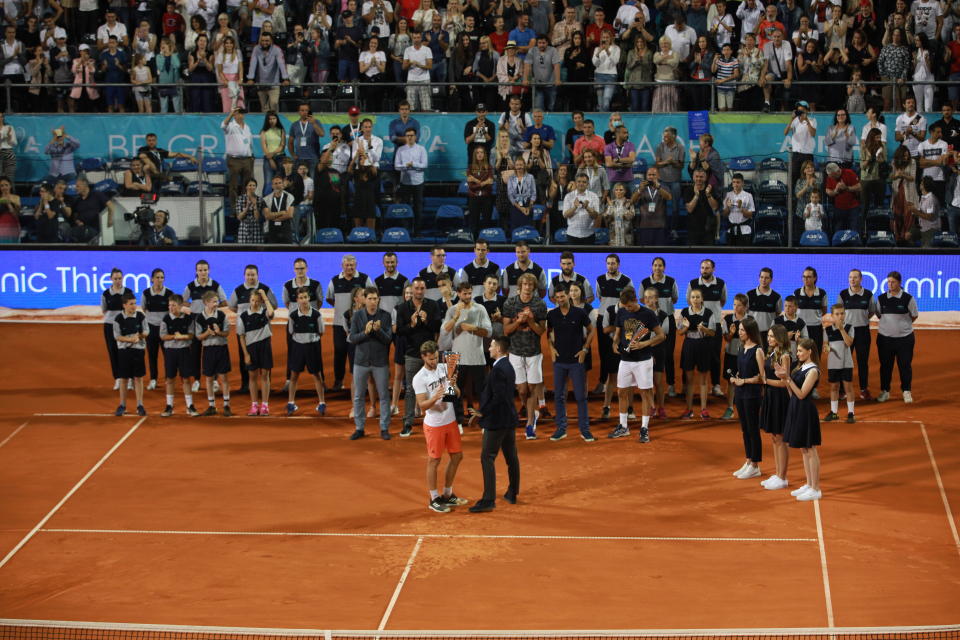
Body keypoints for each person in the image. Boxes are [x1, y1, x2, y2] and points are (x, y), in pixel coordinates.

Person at [411, 340, 468, 513]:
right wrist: (435, 397)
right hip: (434, 424)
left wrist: (452, 386)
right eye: (430, 359)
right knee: (434, 460)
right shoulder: (419, 378)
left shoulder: (445, 367)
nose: (434, 362)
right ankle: (434, 498)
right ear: (423, 357)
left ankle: (448, 494)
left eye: (436, 357)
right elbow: (422, 406)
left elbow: (457, 393)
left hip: (450, 421)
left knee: (457, 456)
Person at [468, 335, 520, 513]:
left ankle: (488, 499)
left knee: (487, 457)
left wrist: (482, 412)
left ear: (498, 349)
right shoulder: (508, 366)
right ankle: (512, 492)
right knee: (511, 457)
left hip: (497, 421)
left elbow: (498, 397)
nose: (489, 348)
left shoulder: (498, 370)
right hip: (508, 420)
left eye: (491, 346)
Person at [607, 287, 664, 443]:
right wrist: (614, 343)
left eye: (629, 306)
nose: (627, 309)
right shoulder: (621, 312)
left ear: (635, 301)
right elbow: (618, 334)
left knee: (645, 394)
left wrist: (645, 343)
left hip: (643, 361)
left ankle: (644, 428)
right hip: (625, 360)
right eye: (625, 307)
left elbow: (661, 336)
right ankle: (623, 426)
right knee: (621, 392)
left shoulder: (648, 314)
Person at [547, 285, 596, 442]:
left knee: (581, 397)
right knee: (559, 397)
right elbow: (549, 334)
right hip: (559, 362)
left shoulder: (579, 312)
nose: (560, 300)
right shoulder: (552, 315)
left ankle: (585, 430)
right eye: (558, 297)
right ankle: (561, 429)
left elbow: (591, 330)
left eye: (563, 296)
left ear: (568, 296)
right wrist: (551, 349)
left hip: (576, 362)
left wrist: (585, 350)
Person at [776, 338, 822, 501]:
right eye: (798, 351)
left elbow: (802, 394)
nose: (798, 353)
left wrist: (787, 378)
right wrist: (784, 378)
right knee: (803, 448)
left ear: (810, 352)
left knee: (810, 449)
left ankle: (815, 488)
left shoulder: (813, 371)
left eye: (801, 351)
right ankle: (809, 484)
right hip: (796, 408)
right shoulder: (801, 367)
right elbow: (793, 393)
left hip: (806, 410)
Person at [503, 273, 548, 440]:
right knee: (522, 390)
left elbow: (541, 331)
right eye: (525, 284)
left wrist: (529, 321)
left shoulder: (540, 304)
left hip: (534, 353)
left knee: (533, 388)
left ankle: (530, 423)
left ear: (534, 287)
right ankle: (529, 408)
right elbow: (506, 330)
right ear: (519, 286)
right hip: (515, 352)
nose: (528, 287)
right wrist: (519, 321)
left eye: (531, 285)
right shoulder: (510, 303)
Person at [396, 277, 443, 436]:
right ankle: (408, 423)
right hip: (412, 354)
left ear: (425, 290)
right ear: (412, 289)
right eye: (416, 288)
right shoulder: (402, 308)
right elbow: (400, 330)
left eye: (422, 288)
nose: (419, 291)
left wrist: (426, 320)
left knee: (439, 386)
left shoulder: (433, 305)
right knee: (410, 390)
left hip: (431, 356)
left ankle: (441, 420)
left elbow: (437, 327)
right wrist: (412, 325)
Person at [348, 287, 393, 439]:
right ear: (364, 299)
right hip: (361, 362)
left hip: (380, 362)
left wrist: (378, 331)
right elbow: (353, 338)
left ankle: (384, 428)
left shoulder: (385, 316)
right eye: (370, 298)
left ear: (378, 299)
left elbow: (388, 340)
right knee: (359, 396)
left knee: (384, 396)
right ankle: (359, 428)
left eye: (375, 299)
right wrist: (366, 333)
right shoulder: (357, 316)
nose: (373, 302)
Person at [443, 281, 491, 416]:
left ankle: (484, 420)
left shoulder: (480, 309)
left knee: (482, 391)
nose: (468, 296)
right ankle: (455, 420)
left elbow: (488, 332)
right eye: (465, 293)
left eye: (470, 293)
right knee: (451, 391)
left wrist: (473, 328)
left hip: (477, 356)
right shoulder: (451, 310)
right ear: (458, 293)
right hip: (454, 356)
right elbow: (445, 331)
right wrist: (456, 318)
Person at [326, 256, 374, 392]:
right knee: (340, 351)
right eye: (347, 265)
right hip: (339, 324)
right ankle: (338, 381)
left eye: (352, 265)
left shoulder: (364, 279)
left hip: (361, 324)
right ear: (342, 265)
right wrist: (342, 308)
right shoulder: (334, 280)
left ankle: (362, 382)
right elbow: (330, 298)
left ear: (356, 265)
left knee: (361, 352)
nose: (350, 268)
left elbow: (372, 296)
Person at [730, 316, 765, 480]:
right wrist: (737, 378)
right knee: (745, 429)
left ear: (750, 331)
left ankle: (755, 465)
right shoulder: (741, 347)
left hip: (752, 395)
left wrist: (744, 381)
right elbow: (742, 371)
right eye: (739, 330)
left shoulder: (758, 350)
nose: (739, 332)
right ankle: (748, 460)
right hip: (741, 394)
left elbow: (762, 377)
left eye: (742, 330)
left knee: (752, 429)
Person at [875, 270, 918, 404]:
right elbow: (878, 314)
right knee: (885, 366)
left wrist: (902, 327)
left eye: (893, 282)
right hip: (884, 339)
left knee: (905, 365)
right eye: (888, 282)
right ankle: (885, 391)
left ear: (899, 283)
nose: (890, 284)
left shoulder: (908, 298)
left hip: (905, 339)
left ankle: (906, 391)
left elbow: (914, 315)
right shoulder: (881, 298)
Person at [759, 324, 793, 490]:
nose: (769, 339)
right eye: (769, 336)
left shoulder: (785, 356)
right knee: (774, 437)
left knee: (780, 438)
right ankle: (778, 473)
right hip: (771, 396)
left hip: (780, 398)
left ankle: (783, 476)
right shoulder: (772, 353)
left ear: (780, 338)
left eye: (772, 336)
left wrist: (766, 381)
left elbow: (785, 382)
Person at [285, 287, 327, 417]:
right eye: (301, 298)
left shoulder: (316, 315)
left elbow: (321, 331)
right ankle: (291, 402)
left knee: (317, 375)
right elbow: (291, 331)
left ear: (309, 298)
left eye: (305, 298)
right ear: (297, 300)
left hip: (312, 346)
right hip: (297, 347)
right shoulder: (292, 316)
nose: (303, 300)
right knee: (294, 375)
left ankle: (321, 402)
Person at [837, 269, 876, 400]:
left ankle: (864, 389)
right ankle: (842, 390)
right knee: (844, 361)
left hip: (862, 332)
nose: (852, 280)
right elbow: (838, 313)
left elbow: (871, 312)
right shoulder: (843, 294)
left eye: (855, 278)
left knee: (862, 362)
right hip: (847, 331)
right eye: (850, 278)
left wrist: (860, 319)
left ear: (861, 279)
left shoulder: (868, 294)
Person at [237, 286, 275, 416]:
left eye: (257, 301)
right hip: (251, 348)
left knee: (265, 375)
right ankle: (254, 405)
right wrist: (246, 354)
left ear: (261, 301)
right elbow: (241, 336)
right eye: (252, 300)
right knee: (252, 377)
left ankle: (265, 405)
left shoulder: (265, 312)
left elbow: (271, 312)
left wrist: (265, 297)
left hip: (265, 346)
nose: (255, 303)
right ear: (249, 301)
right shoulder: (243, 316)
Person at [159, 294, 198, 418]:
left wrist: (183, 337)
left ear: (181, 306)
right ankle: (169, 406)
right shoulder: (165, 319)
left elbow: (192, 335)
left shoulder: (188, 319)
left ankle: (190, 406)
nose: (171, 308)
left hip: (184, 351)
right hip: (170, 352)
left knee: (186, 379)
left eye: (174, 305)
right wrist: (174, 336)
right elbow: (163, 336)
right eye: (169, 305)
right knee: (170, 379)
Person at [678, 287, 714, 419]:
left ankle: (704, 409)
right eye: (693, 297)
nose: (695, 299)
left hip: (703, 345)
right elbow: (680, 332)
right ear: (689, 299)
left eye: (698, 297)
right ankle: (689, 409)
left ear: (702, 299)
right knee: (689, 380)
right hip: (689, 345)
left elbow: (713, 333)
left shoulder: (708, 313)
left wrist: (704, 328)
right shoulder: (684, 312)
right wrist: (686, 327)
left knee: (703, 380)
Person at [194, 290, 232, 417]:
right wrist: (207, 333)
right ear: (206, 302)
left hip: (221, 349)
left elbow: (227, 332)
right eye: (214, 301)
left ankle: (226, 405)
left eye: (217, 301)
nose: (216, 304)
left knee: (224, 378)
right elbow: (198, 337)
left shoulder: (222, 315)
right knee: (209, 378)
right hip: (208, 350)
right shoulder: (199, 318)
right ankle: (211, 406)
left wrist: (219, 332)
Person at [113, 292, 147, 417]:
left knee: (138, 378)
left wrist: (139, 336)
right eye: (131, 304)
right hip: (124, 351)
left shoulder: (140, 316)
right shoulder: (118, 319)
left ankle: (140, 405)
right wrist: (130, 340)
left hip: (138, 350)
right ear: (124, 305)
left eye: (135, 303)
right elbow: (117, 336)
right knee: (124, 379)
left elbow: (146, 331)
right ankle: (122, 405)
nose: (134, 306)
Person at [822, 303, 856, 424]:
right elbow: (825, 345)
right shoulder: (827, 330)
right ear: (832, 316)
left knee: (848, 388)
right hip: (833, 364)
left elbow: (848, 343)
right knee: (834, 388)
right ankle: (834, 412)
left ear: (845, 314)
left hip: (846, 363)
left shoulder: (850, 327)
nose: (840, 316)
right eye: (837, 314)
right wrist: (826, 348)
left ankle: (851, 413)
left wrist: (841, 329)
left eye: (842, 313)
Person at [102, 268, 134, 391]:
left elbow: (132, 308)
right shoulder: (106, 294)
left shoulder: (128, 292)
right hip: (110, 325)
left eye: (120, 278)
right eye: (115, 278)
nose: (117, 281)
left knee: (127, 352)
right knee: (113, 352)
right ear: (111, 279)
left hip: (126, 325)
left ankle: (130, 378)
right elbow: (104, 309)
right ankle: (118, 379)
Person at [350, 118, 382, 230]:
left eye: (369, 127)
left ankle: (376, 231)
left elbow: (377, 158)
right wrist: (360, 153)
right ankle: (359, 231)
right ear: (362, 128)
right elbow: (355, 156)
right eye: (366, 127)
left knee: (374, 202)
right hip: (360, 173)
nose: (368, 129)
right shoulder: (357, 140)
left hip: (373, 173)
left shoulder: (378, 140)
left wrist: (369, 148)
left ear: (372, 127)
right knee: (359, 201)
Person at [721, 293, 748, 421]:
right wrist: (731, 333)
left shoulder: (750, 320)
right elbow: (726, 339)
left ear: (745, 307)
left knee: (745, 381)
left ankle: (745, 409)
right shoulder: (727, 319)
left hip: (746, 356)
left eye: (739, 305)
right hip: (731, 354)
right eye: (734, 305)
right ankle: (730, 408)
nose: (736, 308)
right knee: (731, 381)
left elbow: (753, 338)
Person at [246, 32, 289, 112]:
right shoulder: (256, 49)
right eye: (262, 40)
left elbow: (281, 64)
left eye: (267, 41)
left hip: (274, 84)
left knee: (274, 104)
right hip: (261, 84)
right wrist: (250, 78)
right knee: (264, 108)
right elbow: (252, 64)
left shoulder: (277, 50)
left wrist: (285, 78)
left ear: (271, 41)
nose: (264, 43)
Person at [223, 108, 254, 215]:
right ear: (235, 115)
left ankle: (245, 207)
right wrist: (231, 113)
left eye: (242, 114)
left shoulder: (247, 127)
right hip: (234, 160)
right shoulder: (231, 126)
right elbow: (223, 125)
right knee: (234, 186)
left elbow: (249, 143)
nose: (241, 116)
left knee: (247, 185)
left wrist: (251, 156)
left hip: (247, 159)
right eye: (239, 113)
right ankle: (235, 209)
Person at [395, 127, 428, 224]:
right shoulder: (400, 150)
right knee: (405, 207)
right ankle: (406, 229)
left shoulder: (421, 149)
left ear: (415, 137)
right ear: (405, 137)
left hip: (418, 182)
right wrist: (406, 166)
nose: (410, 137)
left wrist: (413, 164)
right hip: (405, 182)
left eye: (412, 135)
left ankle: (417, 231)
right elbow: (396, 166)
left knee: (418, 207)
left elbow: (424, 165)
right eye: (408, 135)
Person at [747, 267, 783, 351]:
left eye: (767, 278)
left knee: (767, 360)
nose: (763, 280)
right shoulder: (749, 295)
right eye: (762, 277)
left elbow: (777, 314)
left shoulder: (776, 297)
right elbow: (745, 313)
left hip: (768, 335)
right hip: (752, 333)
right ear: (759, 278)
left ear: (771, 280)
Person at [683, 169, 719, 246]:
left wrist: (708, 195)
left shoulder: (711, 190)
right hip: (693, 229)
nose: (699, 179)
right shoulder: (688, 190)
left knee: (708, 256)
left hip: (708, 229)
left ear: (705, 178)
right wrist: (696, 195)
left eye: (701, 177)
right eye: (697, 176)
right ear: (693, 177)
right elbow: (689, 209)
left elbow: (715, 207)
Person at [825, 161, 863, 233]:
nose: (831, 178)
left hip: (853, 207)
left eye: (832, 176)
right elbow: (828, 190)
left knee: (854, 230)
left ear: (838, 171)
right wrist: (835, 191)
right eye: (830, 176)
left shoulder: (849, 172)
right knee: (838, 231)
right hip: (838, 208)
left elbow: (859, 187)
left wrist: (847, 188)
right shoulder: (830, 177)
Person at [784, 100, 817, 181]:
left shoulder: (812, 120)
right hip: (796, 154)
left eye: (802, 110)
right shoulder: (795, 121)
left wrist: (807, 121)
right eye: (799, 110)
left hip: (807, 154)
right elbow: (785, 132)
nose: (800, 112)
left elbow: (813, 134)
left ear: (807, 110)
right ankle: (794, 194)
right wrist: (792, 119)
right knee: (794, 176)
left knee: (808, 177)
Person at [288, 102, 326, 169]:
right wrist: (293, 155)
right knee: (299, 179)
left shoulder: (316, 122)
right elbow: (290, 142)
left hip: (313, 158)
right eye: (302, 110)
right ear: (298, 112)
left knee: (313, 179)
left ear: (309, 111)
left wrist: (313, 123)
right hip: (299, 158)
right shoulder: (294, 125)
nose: (305, 112)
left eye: (306, 110)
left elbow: (322, 134)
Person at [721, 172, 755, 246]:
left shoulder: (748, 196)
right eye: (734, 182)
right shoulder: (728, 195)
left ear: (742, 183)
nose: (735, 184)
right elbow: (724, 215)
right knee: (731, 255)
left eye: (738, 182)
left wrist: (741, 209)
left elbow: (750, 215)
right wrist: (728, 207)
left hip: (745, 230)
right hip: (731, 230)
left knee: (744, 255)